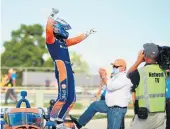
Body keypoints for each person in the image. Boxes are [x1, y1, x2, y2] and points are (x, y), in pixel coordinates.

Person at [45, 8, 96, 128]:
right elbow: (48, 29)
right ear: (58, 29)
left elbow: (75, 40)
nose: (66, 32)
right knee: (62, 97)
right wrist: (52, 15)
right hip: (61, 69)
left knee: (71, 99)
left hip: (69, 70)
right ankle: (51, 120)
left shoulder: (64, 42)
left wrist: (87, 33)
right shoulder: (51, 40)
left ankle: (59, 121)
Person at [70, 59, 133, 129]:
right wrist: (102, 76)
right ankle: (79, 124)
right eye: (113, 66)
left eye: (116, 66)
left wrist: (104, 76)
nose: (114, 68)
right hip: (109, 105)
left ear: (123, 67)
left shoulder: (124, 78)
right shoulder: (115, 77)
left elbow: (111, 86)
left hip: (117, 109)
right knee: (94, 105)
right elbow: (104, 87)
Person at [127, 43, 167, 129]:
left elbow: (128, 74)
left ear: (144, 56)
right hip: (161, 114)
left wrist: (138, 60)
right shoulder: (164, 72)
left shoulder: (140, 72)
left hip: (145, 115)